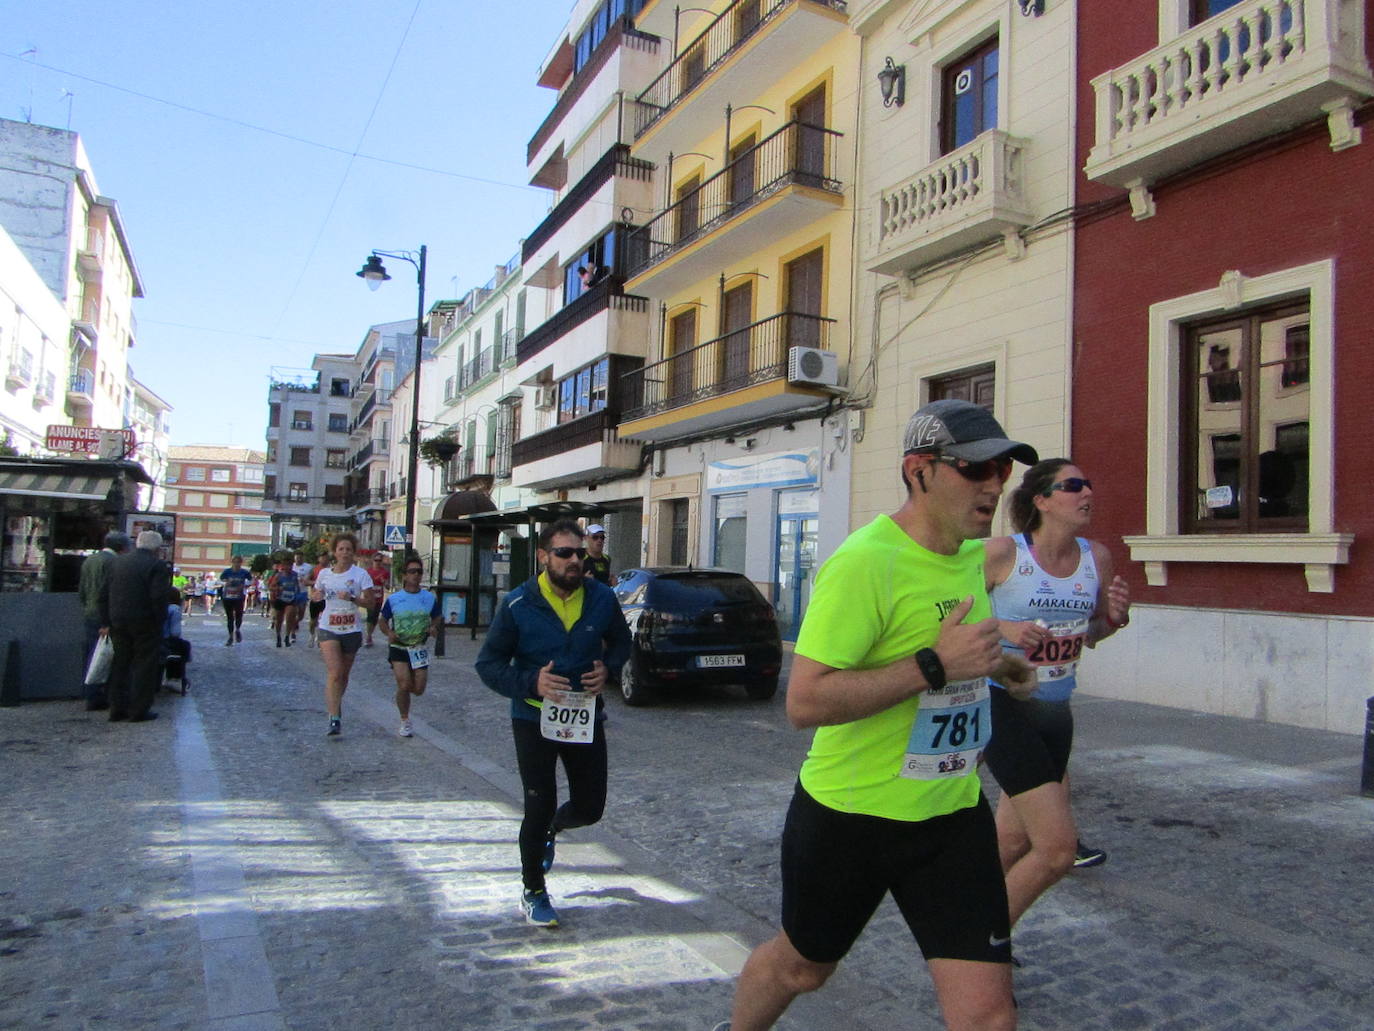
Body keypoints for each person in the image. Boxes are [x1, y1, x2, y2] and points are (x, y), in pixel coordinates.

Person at [717, 400, 1039, 1031]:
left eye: (1002, 468)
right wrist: (933, 666)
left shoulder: (971, 557)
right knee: (803, 970)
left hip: (950, 815)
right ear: (919, 470)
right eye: (976, 470)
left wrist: (1002, 665)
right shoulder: (865, 562)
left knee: (989, 1017)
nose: (995, 484)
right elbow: (804, 702)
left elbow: (958, 656)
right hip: (849, 819)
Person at [982, 459, 1132, 928]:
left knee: (1011, 841)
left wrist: (1115, 618)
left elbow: (1093, 634)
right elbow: (946, 613)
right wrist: (1006, 626)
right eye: (1072, 486)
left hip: (1056, 711)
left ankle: (970, 921)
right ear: (1042, 500)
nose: (1087, 493)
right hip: (1001, 703)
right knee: (1057, 849)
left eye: (1088, 484)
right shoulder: (1004, 553)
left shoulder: (1097, 558)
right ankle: (983, 939)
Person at [475, 519, 632, 929]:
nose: (575, 560)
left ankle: (553, 828)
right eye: (565, 553)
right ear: (543, 557)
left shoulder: (601, 598)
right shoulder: (517, 604)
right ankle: (533, 889)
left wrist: (609, 669)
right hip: (533, 716)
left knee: (591, 807)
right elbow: (488, 665)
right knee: (538, 802)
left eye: (580, 553)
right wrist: (532, 682)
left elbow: (622, 641)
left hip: (584, 716)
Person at [98, 530, 173, 723]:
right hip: (145, 622)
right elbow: (158, 597)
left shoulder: (116, 563)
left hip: (118, 621)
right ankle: (138, 710)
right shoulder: (157, 565)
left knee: (120, 664)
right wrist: (160, 622)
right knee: (144, 666)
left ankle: (117, 708)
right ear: (157, 548)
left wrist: (106, 621)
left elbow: (103, 594)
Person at [310, 533, 376, 736]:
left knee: (344, 675)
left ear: (353, 552)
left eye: (348, 549)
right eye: (341, 549)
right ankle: (334, 717)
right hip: (328, 627)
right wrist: (316, 596)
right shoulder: (324, 574)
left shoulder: (361, 575)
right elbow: (314, 595)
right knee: (335, 672)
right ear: (334, 552)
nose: (345, 553)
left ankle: (335, 705)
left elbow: (371, 603)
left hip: (351, 629)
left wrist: (353, 598)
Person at [378, 556, 442, 738]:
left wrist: (433, 627)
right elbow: (382, 620)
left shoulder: (428, 598)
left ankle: (403, 696)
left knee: (419, 689)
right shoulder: (395, 599)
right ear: (404, 576)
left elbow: (437, 616)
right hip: (399, 646)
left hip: (419, 648)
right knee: (404, 683)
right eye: (412, 571)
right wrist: (389, 633)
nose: (416, 575)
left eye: (419, 572)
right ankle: (404, 719)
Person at [78, 530, 131, 711]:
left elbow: (83, 590)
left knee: (92, 654)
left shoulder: (89, 560)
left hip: (89, 612)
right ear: (122, 547)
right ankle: (100, 695)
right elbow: (110, 593)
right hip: (106, 616)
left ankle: (90, 692)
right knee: (108, 657)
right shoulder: (114, 563)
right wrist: (107, 622)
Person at [268, 556, 302, 647]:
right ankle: (278, 636)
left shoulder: (294, 575)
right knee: (279, 619)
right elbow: (271, 587)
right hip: (280, 599)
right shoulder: (278, 576)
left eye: (290, 566)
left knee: (290, 615)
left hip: (291, 599)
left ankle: (287, 636)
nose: (289, 568)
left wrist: (298, 593)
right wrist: (278, 588)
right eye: (287, 566)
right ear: (283, 566)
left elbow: (297, 585)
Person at [219, 554, 252, 645]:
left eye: (239, 562)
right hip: (228, 596)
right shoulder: (227, 571)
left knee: (239, 615)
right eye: (235, 562)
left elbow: (251, 581)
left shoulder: (244, 572)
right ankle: (230, 636)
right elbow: (220, 580)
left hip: (239, 596)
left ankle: (237, 629)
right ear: (232, 562)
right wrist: (226, 582)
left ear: (241, 563)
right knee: (230, 617)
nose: (237, 564)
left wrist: (244, 586)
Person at [363, 551, 391, 647]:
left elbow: (388, 586)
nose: (378, 562)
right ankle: (368, 636)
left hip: (379, 598)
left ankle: (370, 634)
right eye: (376, 560)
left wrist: (384, 582)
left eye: (380, 560)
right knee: (370, 616)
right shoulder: (368, 572)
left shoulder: (384, 572)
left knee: (375, 618)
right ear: (372, 561)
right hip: (369, 597)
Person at [305, 554, 329, 646]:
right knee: (313, 621)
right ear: (319, 559)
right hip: (315, 598)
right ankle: (312, 635)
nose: (325, 560)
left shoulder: (331, 570)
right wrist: (317, 583)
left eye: (326, 558)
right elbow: (306, 581)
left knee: (323, 619)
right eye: (322, 558)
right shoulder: (314, 569)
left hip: (326, 599)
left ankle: (320, 637)